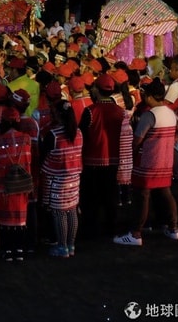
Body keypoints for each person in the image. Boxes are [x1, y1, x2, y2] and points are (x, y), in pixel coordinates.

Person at [113, 78, 178, 246]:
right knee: (166, 194)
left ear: (150, 96)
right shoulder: (170, 113)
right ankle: (173, 228)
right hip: (165, 162)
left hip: (148, 162)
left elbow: (137, 140)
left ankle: (136, 233)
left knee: (142, 196)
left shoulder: (149, 115)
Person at [78, 73, 125, 239]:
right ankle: (111, 227)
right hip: (113, 160)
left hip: (92, 161)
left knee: (91, 198)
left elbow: (81, 135)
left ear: (97, 90)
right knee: (110, 196)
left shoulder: (91, 111)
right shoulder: (120, 111)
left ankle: (91, 229)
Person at [40, 100, 83, 258]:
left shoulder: (53, 135)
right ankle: (71, 245)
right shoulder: (78, 133)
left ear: (58, 115)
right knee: (72, 211)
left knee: (59, 214)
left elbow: (44, 156)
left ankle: (62, 246)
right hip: (74, 179)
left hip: (57, 180)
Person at [0, 107, 33, 262]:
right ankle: (19, 249)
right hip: (22, 187)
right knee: (20, 220)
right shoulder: (27, 139)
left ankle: (7, 250)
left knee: (4, 220)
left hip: (4, 188)